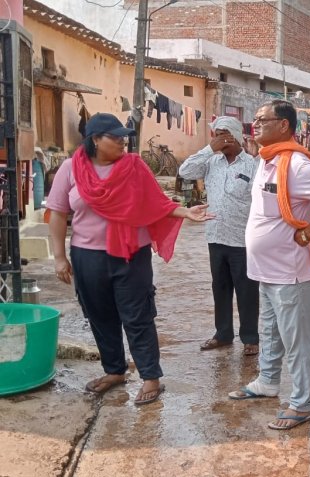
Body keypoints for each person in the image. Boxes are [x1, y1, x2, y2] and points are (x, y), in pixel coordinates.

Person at [47, 113, 214, 405]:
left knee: (138, 316)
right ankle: (114, 371)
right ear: (95, 140)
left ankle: (151, 377)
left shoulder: (135, 167)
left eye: (125, 136)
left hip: (130, 255)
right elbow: (58, 213)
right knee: (99, 315)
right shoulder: (70, 169)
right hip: (87, 255)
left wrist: (185, 211)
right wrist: (60, 258)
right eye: (116, 137)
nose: (124, 141)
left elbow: (156, 202)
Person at [229, 100, 310, 430]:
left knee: (296, 340)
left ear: (283, 125)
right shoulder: (266, 161)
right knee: (269, 330)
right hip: (265, 268)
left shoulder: (295, 164)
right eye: (254, 119)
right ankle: (267, 381)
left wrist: (309, 232)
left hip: (288, 270)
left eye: (263, 120)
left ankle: (300, 403)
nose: (255, 124)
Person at [179, 117, 260, 356]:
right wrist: (208, 149)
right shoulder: (211, 161)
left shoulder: (252, 164)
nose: (218, 138)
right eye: (216, 134)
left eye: (223, 134)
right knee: (220, 288)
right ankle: (223, 334)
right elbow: (185, 172)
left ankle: (250, 337)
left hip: (242, 240)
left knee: (246, 291)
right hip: (215, 237)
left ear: (235, 136)